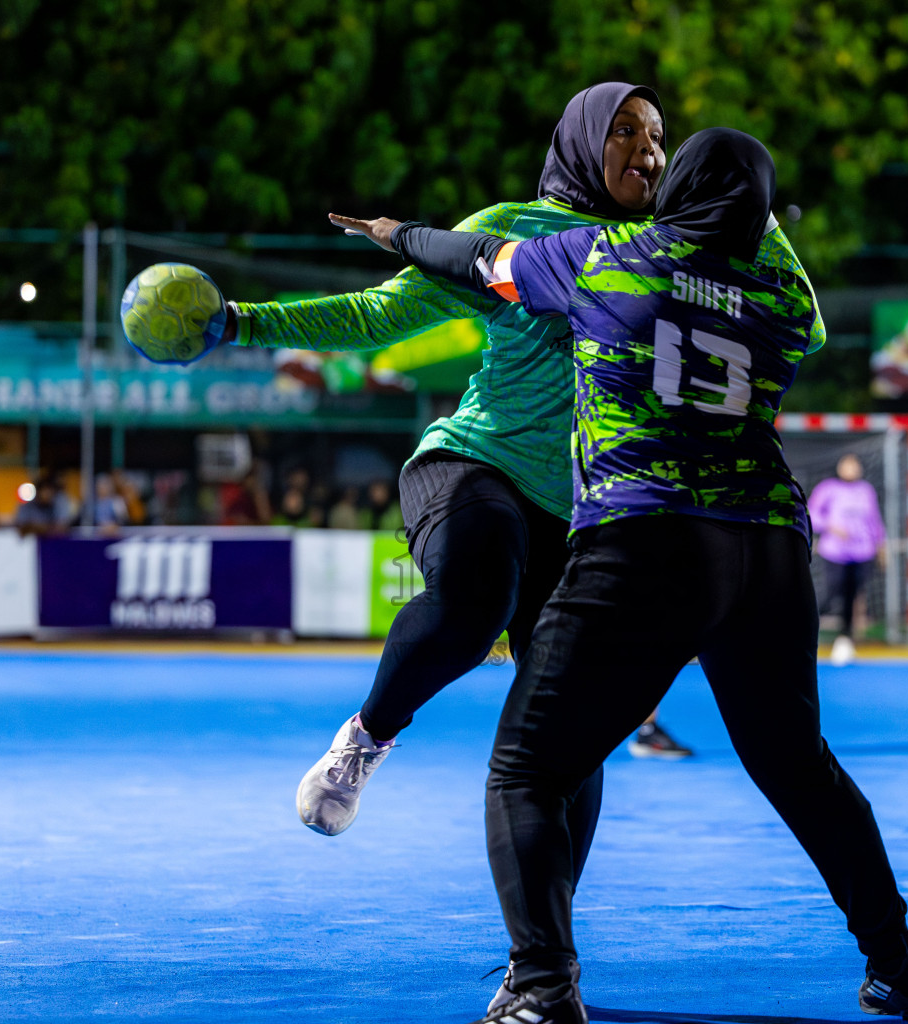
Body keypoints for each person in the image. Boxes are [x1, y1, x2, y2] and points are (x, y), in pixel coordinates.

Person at [335, 127, 908, 1023]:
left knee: (529, 772)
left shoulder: (609, 256)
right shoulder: (782, 295)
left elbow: (479, 260)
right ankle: (902, 964)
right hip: (770, 550)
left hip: (646, 537)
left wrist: (398, 235)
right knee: (799, 767)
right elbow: (795, 291)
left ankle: (542, 986)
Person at [221, 84, 700, 853]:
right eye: (624, 131)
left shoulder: (669, 254)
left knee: (574, 728)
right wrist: (244, 323)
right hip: (477, 464)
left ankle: (545, 959)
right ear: (580, 141)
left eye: (657, 134)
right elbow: (380, 315)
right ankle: (367, 738)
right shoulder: (516, 231)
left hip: (579, 516)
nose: (648, 149)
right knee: (474, 606)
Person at [810, 453, 885, 667]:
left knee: (853, 595)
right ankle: (804, 630)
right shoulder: (828, 488)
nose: (852, 468)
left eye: (855, 464)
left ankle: (845, 639)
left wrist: (881, 546)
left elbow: (875, 520)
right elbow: (811, 514)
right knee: (833, 591)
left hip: (862, 552)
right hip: (835, 552)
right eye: (847, 464)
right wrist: (831, 526)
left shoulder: (865, 490)